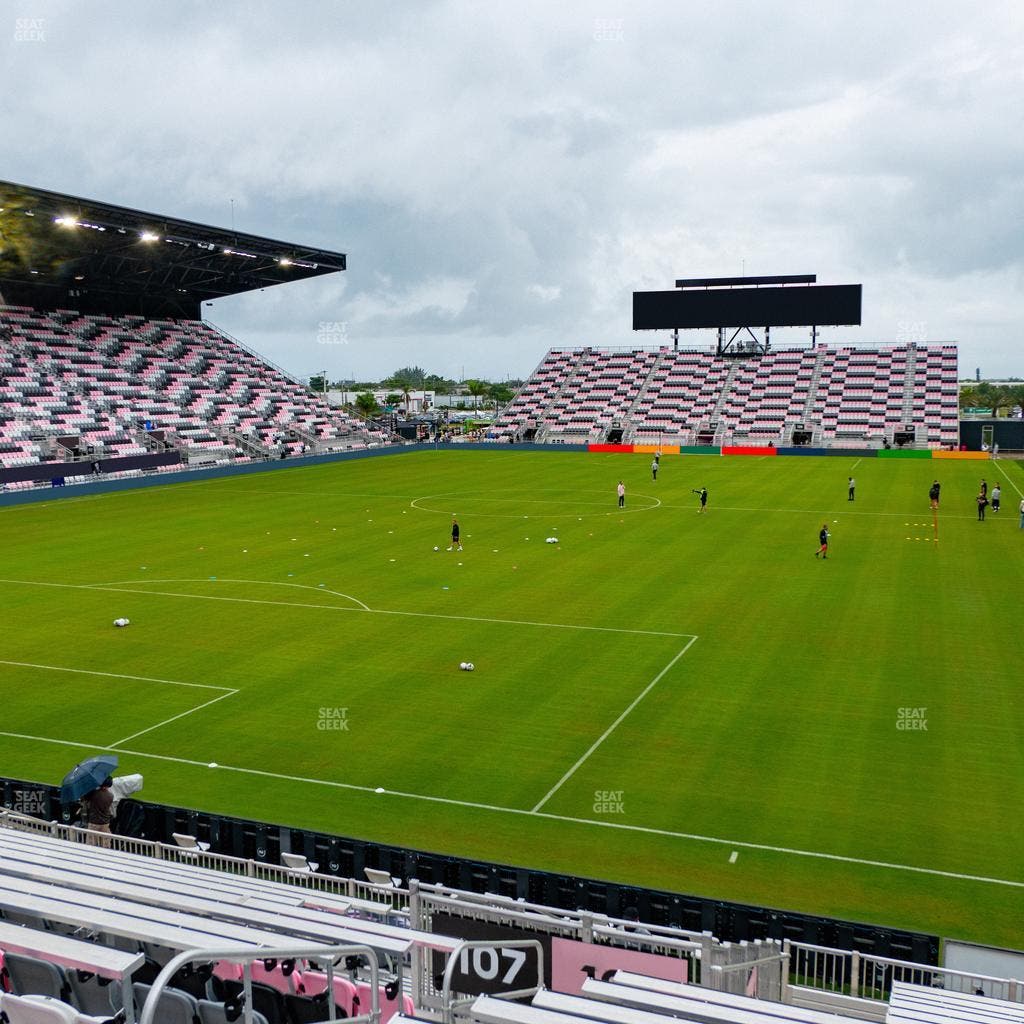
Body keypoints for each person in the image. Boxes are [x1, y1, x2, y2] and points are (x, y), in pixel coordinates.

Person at [81, 777, 115, 846]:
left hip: (94, 823)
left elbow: (83, 798)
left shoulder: (94, 793)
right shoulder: (111, 795)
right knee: (105, 845)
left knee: (90, 845)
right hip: (105, 823)